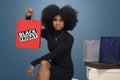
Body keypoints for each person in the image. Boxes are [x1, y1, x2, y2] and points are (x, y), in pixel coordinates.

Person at [26, 4, 78, 80]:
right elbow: (30, 32)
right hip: (53, 66)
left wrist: (33, 63)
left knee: (43, 63)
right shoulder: (49, 33)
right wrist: (28, 17)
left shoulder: (69, 38)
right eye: (55, 20)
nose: (58, 23)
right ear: (51, 20)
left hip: (65, 70)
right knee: (40, 71)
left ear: (66, 21)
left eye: (61, 20)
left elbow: (53, 54)